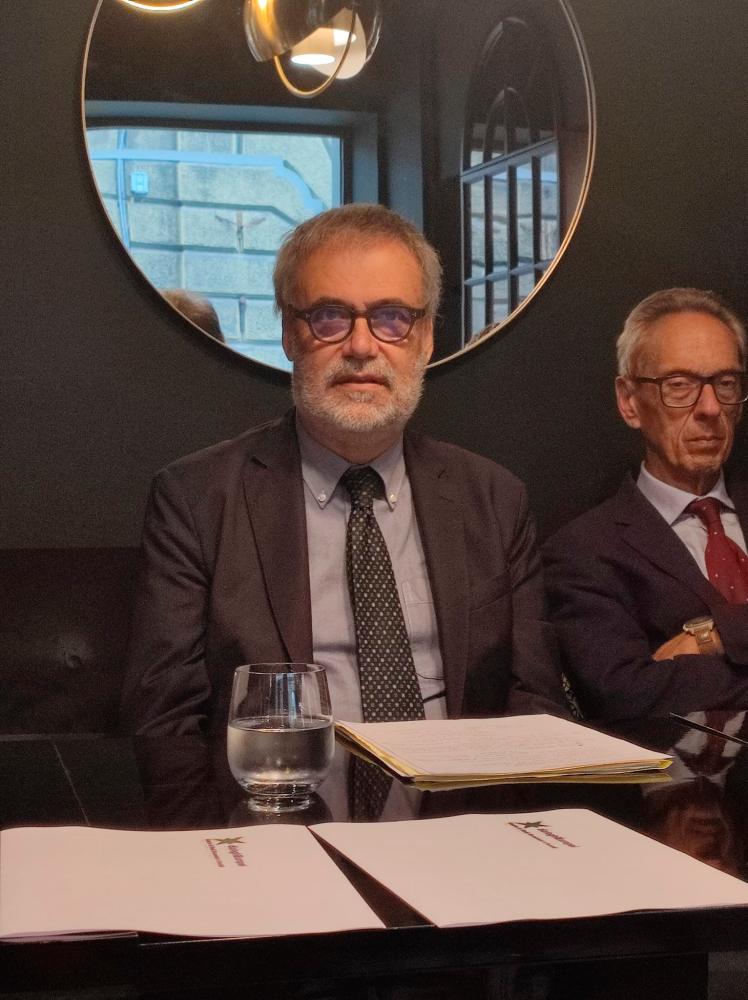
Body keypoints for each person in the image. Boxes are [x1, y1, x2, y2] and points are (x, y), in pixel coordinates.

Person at [121, 203, 565, 736]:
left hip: (460, 787)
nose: (360, 346)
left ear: (425, 338)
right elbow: (165, 722)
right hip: (278, 787)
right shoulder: (196, 499)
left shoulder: (494, 499)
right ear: (290, 334)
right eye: (329, 316)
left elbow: (535, 704)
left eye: (392, 318)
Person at [544, 287, 748, 719]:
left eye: (726, 383)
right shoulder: (584, 552)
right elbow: (627, 695)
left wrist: (716, 636)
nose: (710, 407)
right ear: (629, 402)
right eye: (680, 386)